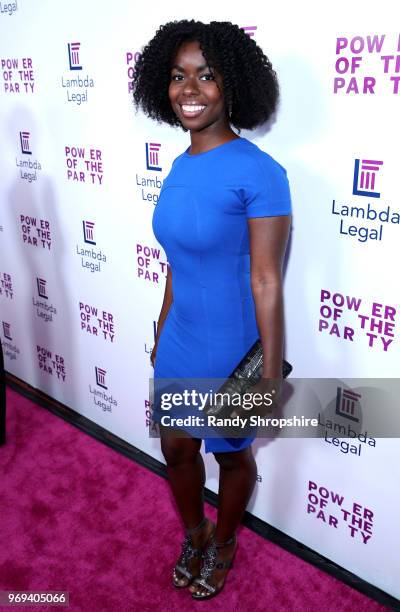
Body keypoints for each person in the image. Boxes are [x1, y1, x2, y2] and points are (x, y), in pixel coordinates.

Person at [133, 19, 292, 600]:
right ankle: (195, 531)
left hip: (230, 344)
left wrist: (269, 377)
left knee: (231, 456)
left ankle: (224, 541)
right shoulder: (178, 165)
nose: (189, 89)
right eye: (178, 76)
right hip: (179, 335)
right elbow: (178, 260)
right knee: (175, 445)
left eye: (206, 75)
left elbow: (266, 279)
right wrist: (160, 326)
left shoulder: (260, 172)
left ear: (233, 85)